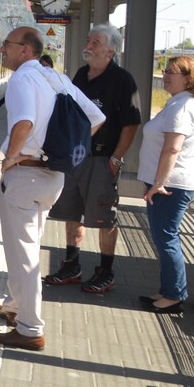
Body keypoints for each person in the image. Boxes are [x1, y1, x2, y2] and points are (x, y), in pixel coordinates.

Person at [0, 26, 104, 350]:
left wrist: (12, 157)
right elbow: (95, 118)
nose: (2, 51)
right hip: (53, 176)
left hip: (26, 175)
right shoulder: (57, 79)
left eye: (6, 46)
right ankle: (14, 306)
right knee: (25, 246)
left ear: (25, 50)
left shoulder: (23, 79)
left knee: (23, 253)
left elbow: (23, 123)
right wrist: (63, 150)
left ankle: (29, 328)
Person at [44, 23, 142, 294]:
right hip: (76, 158)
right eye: (88, 40)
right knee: (71, 212)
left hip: (103, 159)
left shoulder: (123, 80)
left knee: (103, 218)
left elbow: (131, 123)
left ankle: (106, 272)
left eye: (95, 42)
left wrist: (116, 159)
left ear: (110, 50)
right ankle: (72, 265)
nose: (89, 45)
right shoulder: (80, 75)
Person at [138, 56, 194, 314]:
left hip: (172, 184)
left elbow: (172, 148)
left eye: (172, 73)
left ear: (188, 78)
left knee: (166, 237)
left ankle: (175, 295)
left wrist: (158, 182)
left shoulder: (182, 107)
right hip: (168, 182)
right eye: (165, 71)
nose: (165, 76)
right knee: (163, 236)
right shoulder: (177, 103)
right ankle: (168, 289)